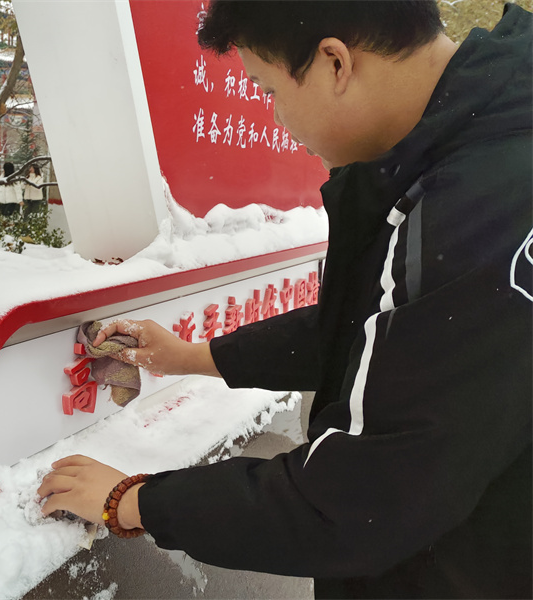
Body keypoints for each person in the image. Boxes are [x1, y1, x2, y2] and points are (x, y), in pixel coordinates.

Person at [37, 2, 532, 598]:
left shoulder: (480, 203)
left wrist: (134, 502)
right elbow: (377, 330)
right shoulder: (474, 150)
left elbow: (360, 500)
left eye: (268, 89)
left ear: (333, 63)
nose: (277, 118)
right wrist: (190, 356)